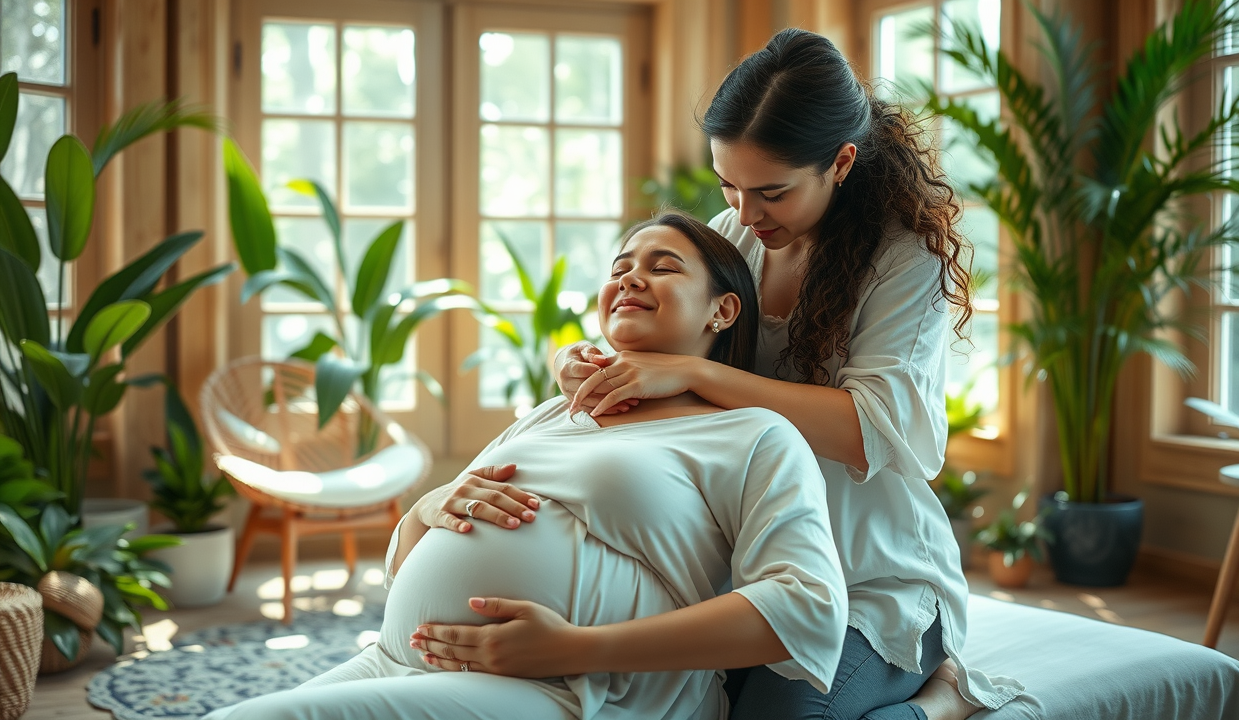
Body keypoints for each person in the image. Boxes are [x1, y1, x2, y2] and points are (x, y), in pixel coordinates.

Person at [410, 28, 1024, 720]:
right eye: (728, 184)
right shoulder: (737, 233)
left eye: (770, 191)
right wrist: (577, 359)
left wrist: (684, 375)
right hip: (747, 566)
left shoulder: (903, 259)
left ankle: (944, 701)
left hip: (871, 578)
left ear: (842, 162)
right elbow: (667, 335)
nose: (743, 211)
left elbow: (873, 432)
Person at [201, 211, 849, 720]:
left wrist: (577, 649)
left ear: (722, 309)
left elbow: (808, 604)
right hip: (400, 660)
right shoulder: (551, 414)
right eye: (620, 265)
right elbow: (405, 562)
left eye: (662, 266)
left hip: (586, 694)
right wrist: (430, 506)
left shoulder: (751, 433)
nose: (629, 277)